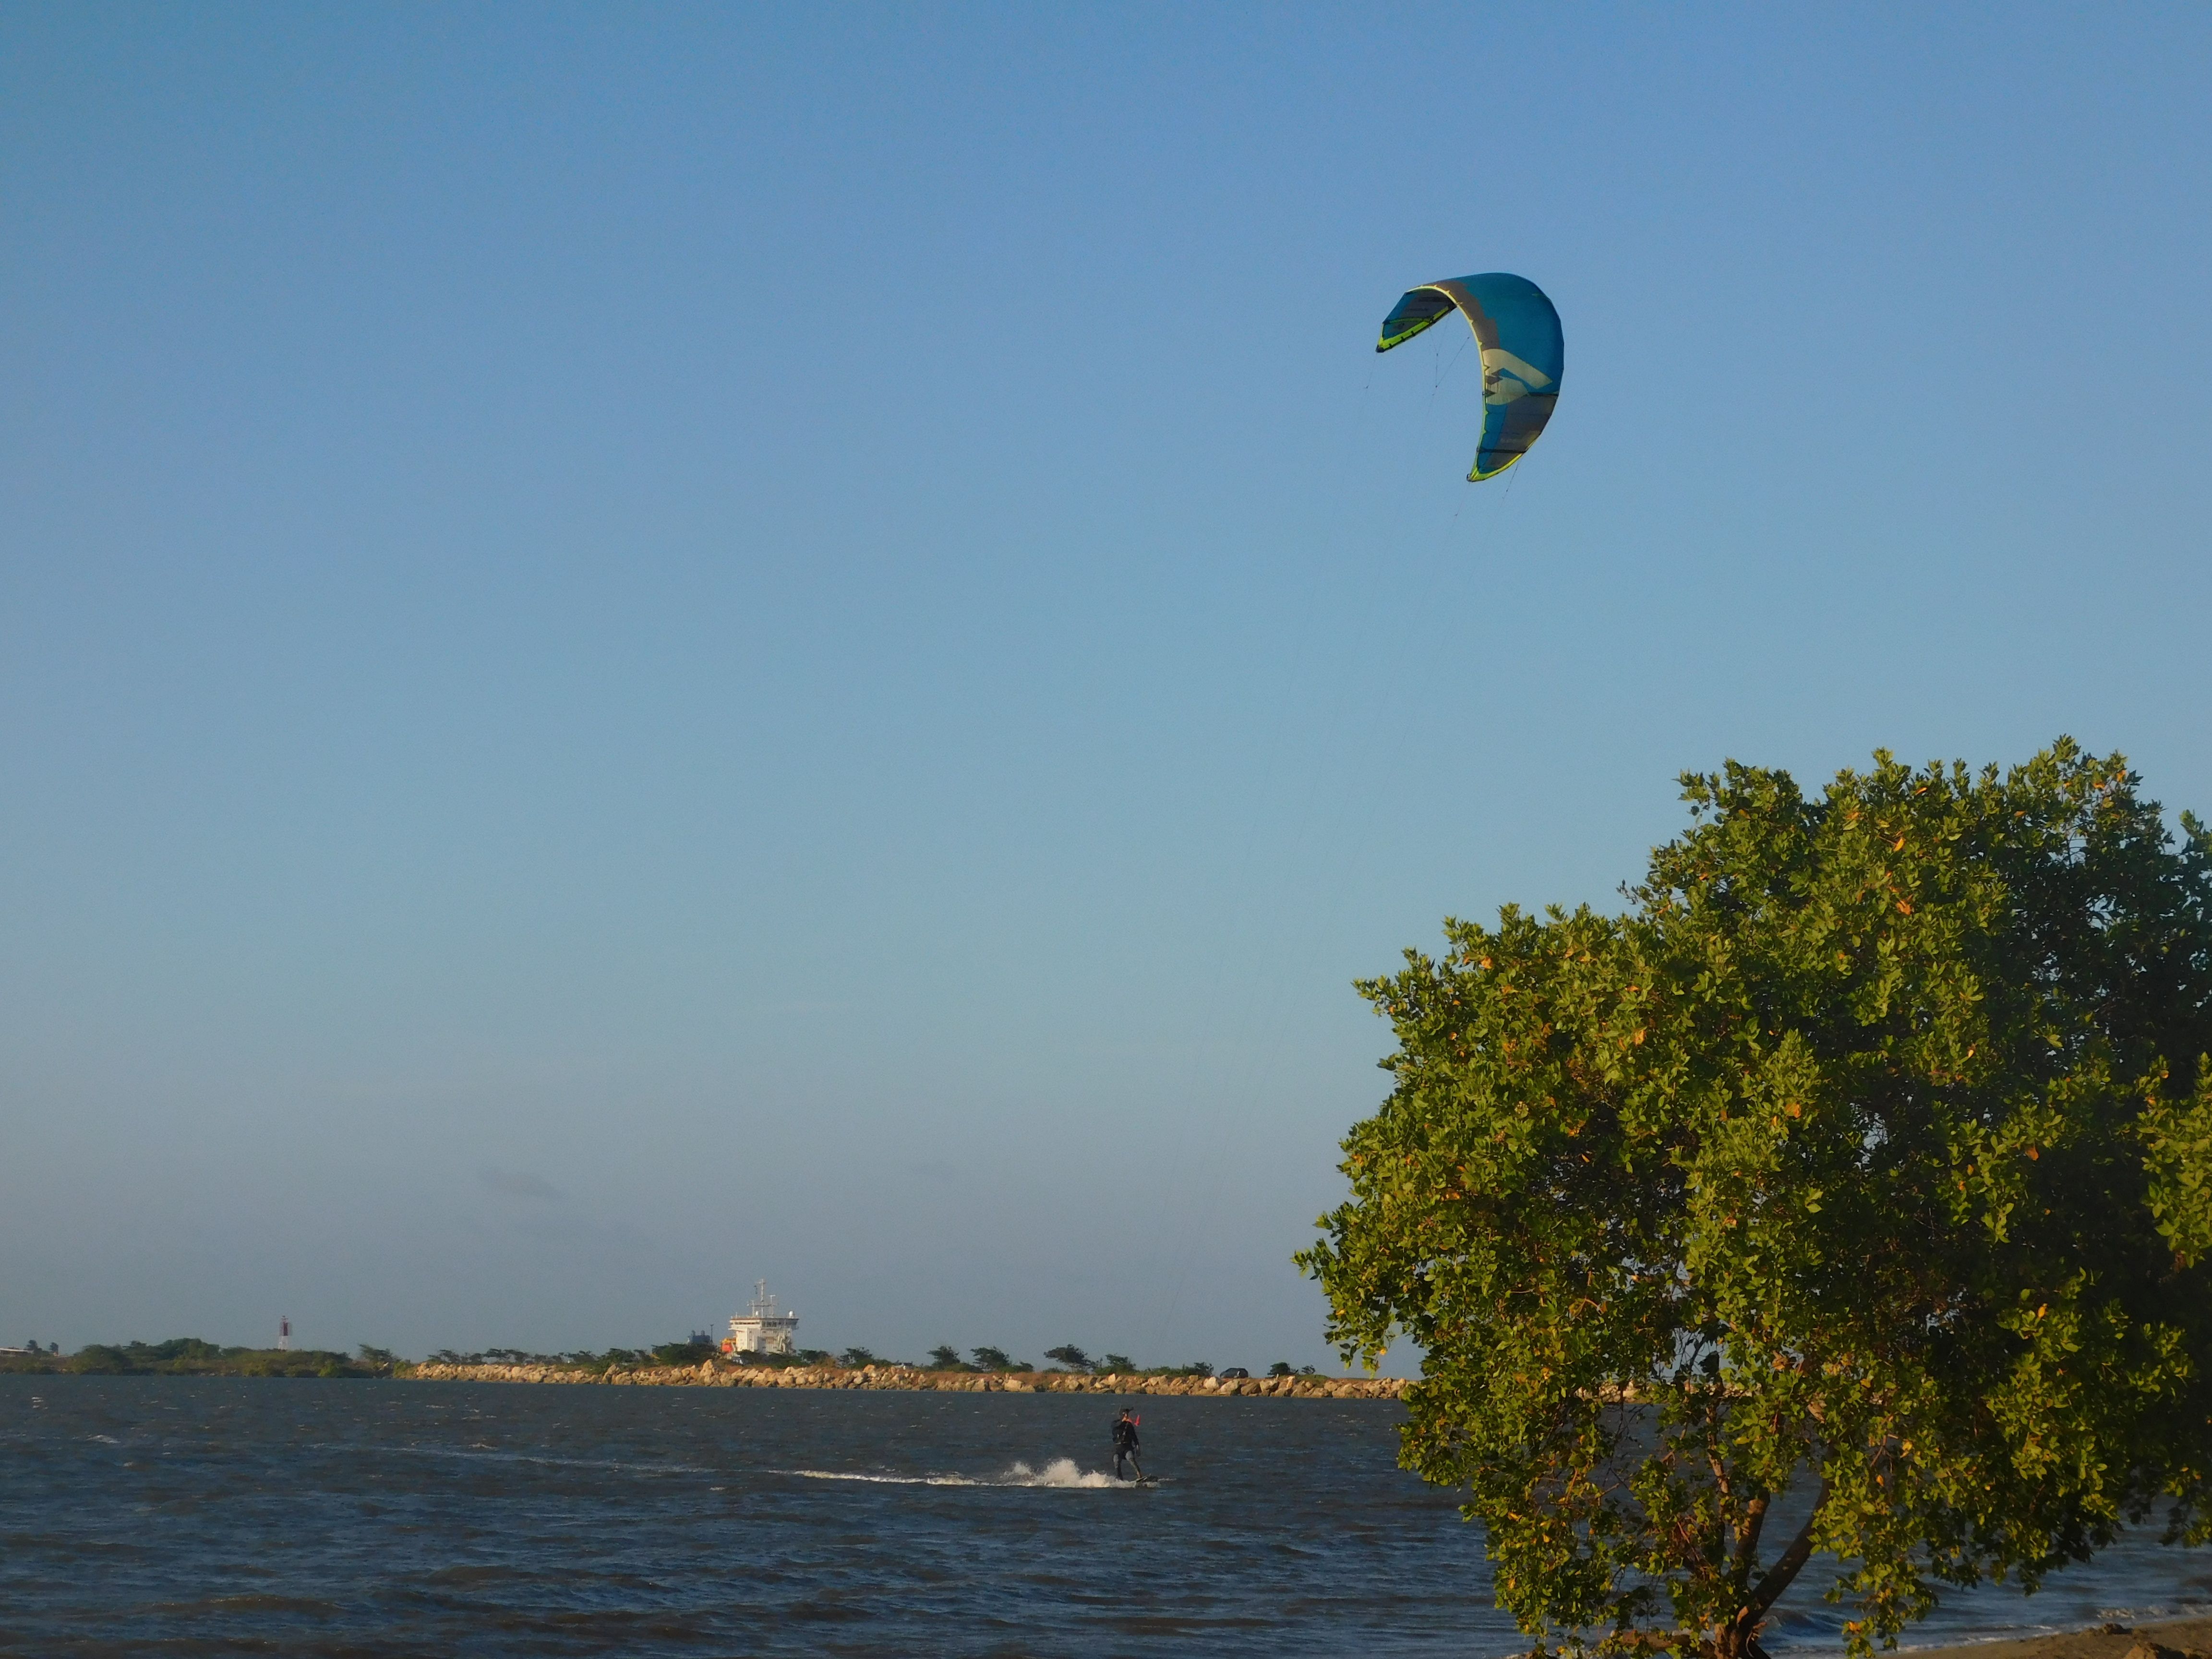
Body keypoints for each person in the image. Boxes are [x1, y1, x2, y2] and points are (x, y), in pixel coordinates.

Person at [1111, 1408, 1142, 1480]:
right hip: (1118, 1448)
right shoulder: (1115, 1423)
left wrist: (1138, 1448)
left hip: (1127, 1447)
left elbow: (1135, 1438)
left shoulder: (1129, 1425)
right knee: (1116, 1461)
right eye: (1125, 1415)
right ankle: (1120, 1479)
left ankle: (1140, 1475)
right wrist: (1123, 1420)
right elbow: (1116, 1425)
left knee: (1131, 1458)